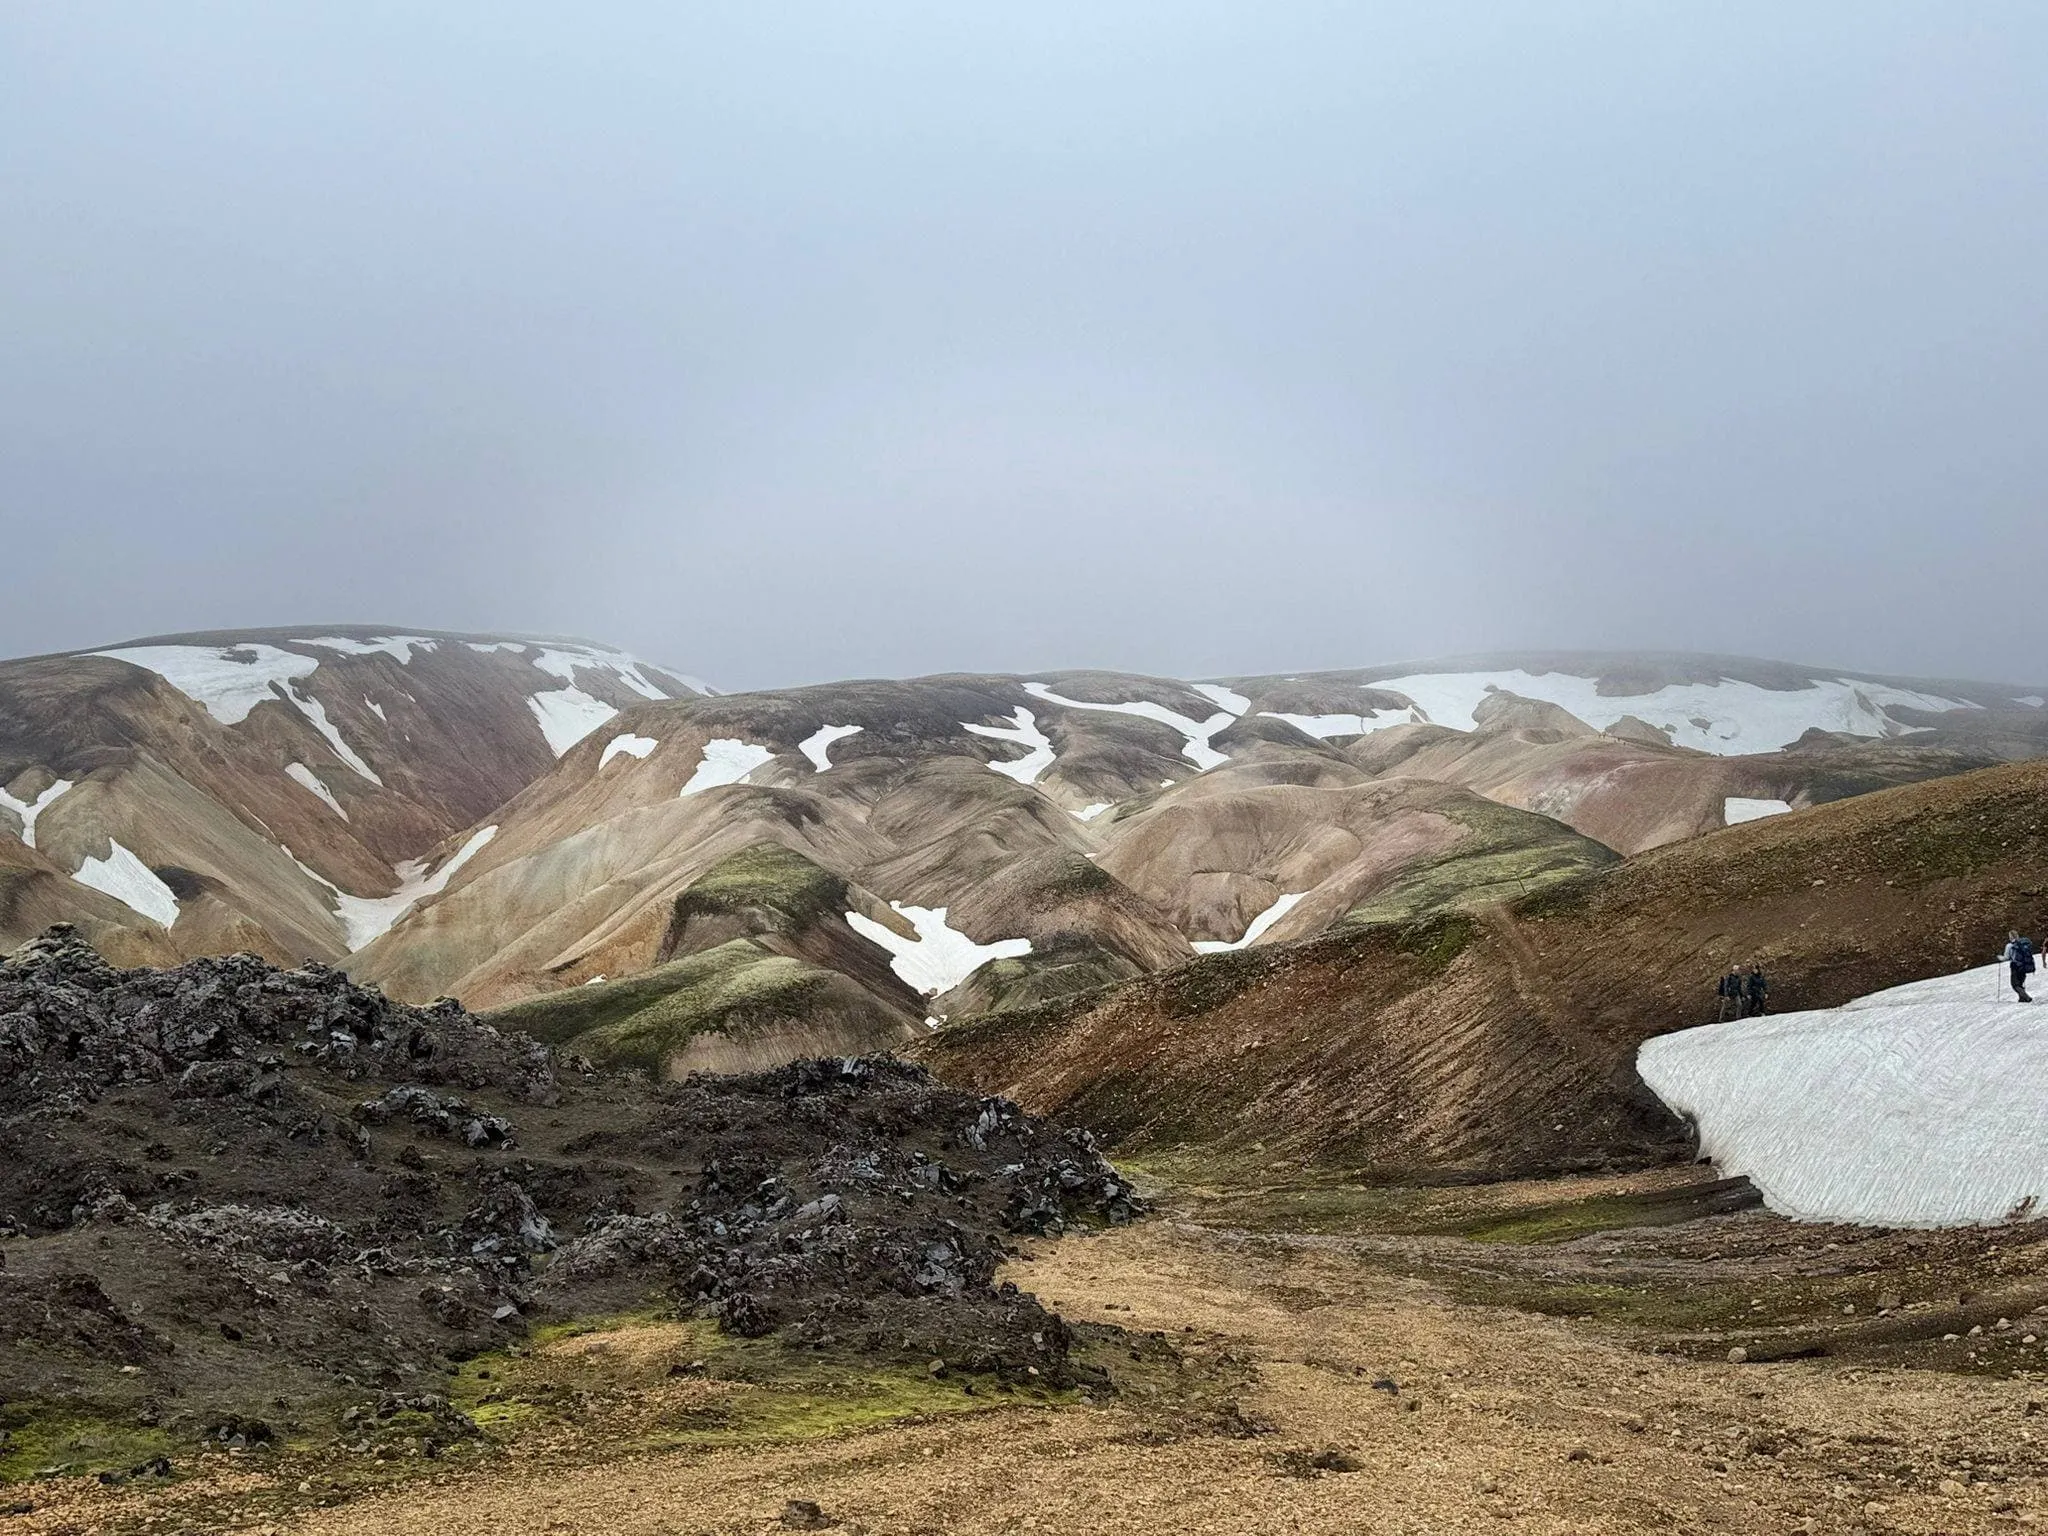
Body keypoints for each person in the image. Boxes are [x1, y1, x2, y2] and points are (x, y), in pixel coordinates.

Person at [2003, 931, 2035, 1002]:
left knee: (2015, 984)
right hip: (2024, 966)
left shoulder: (2009, 946)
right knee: (2020, 983)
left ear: (2010, 937)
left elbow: (2006, 957)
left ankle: (2026, 997)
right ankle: (2022, 998)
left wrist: (1999, 958)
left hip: (2015, 966)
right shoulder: (2023, 943)